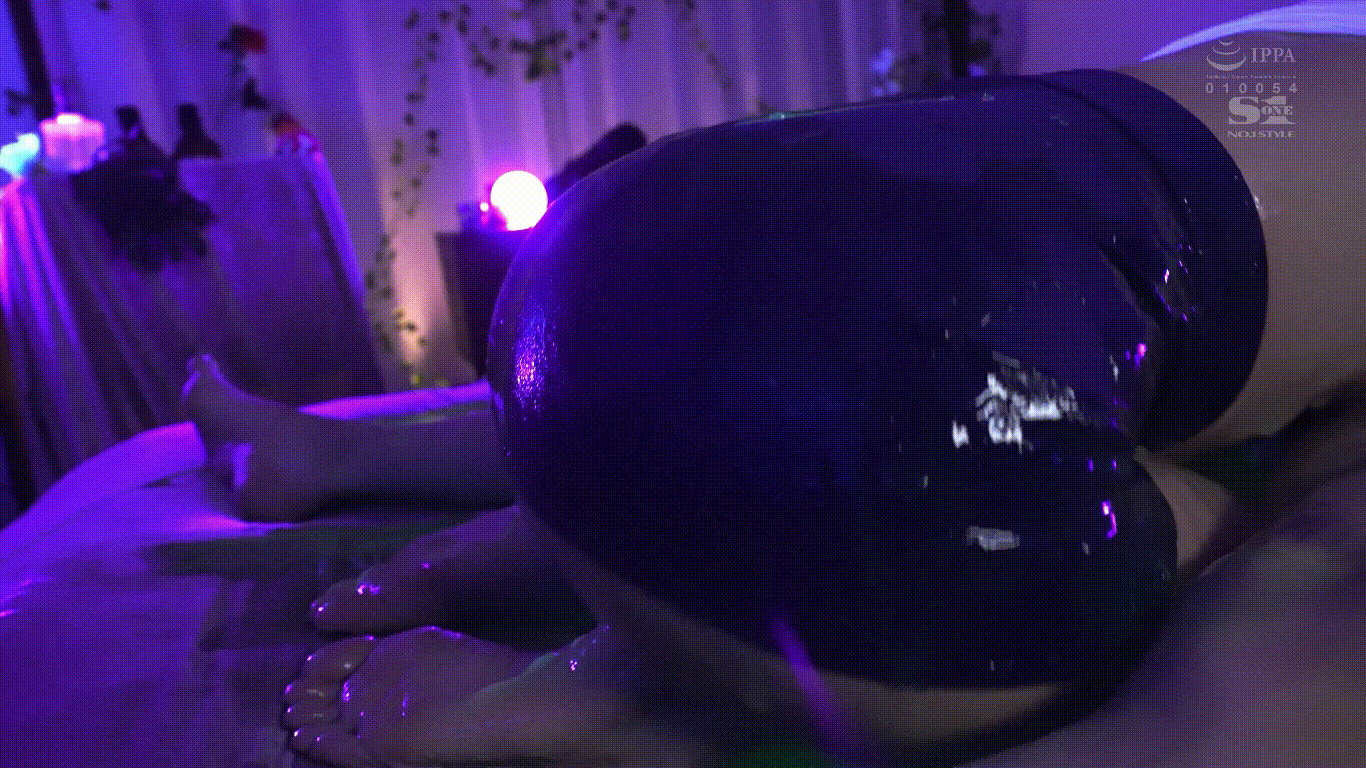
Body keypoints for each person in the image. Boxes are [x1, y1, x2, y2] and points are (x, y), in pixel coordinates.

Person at [180, 6, 1366, 766]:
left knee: (828, 320)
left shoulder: (1290, 43)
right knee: (1270, 529)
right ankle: (646, 695)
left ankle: (352, 460)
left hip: (603, 261)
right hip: (927, 457)